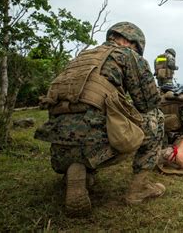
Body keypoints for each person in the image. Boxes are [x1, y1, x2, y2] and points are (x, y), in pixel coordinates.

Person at [35, 21, 165, 217]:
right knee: (157, 118)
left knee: (87, 121)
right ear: (132, 43)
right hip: (95, 143)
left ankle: (79, 170)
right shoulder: (127, 55)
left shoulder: (82, 57)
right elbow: (148, 103)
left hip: (60, 148)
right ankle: (139, 189)